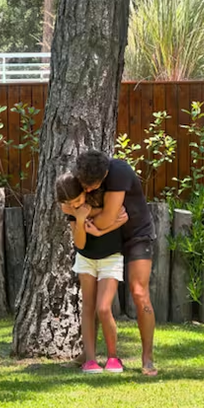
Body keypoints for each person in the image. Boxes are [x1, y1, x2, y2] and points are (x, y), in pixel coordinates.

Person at [75, 150, 159, 376]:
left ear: (104, 175)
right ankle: (88, 355)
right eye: (84, 186)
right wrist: (85, 216)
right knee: (93, 299)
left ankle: (147, 358)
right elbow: (71, 208)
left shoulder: (119, 172)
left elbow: (105, 220)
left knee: (139, 292)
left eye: (92, 186)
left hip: (136, 236)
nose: (87, 190)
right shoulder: (84, 177)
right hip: (109, 239)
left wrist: (87, 215)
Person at [57, 172, 129, 374]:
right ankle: (90, 359)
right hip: (86, 259)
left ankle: (113, 357)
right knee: (88, 307)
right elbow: (80, 243)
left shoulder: (103, 195)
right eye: (70, 204)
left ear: (84, 190)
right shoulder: (72, 210)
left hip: (111, 257)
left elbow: (120, 213)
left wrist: (91, 214)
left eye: (77, 200)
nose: (75, 205)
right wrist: (80, 219)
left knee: (103, 308)